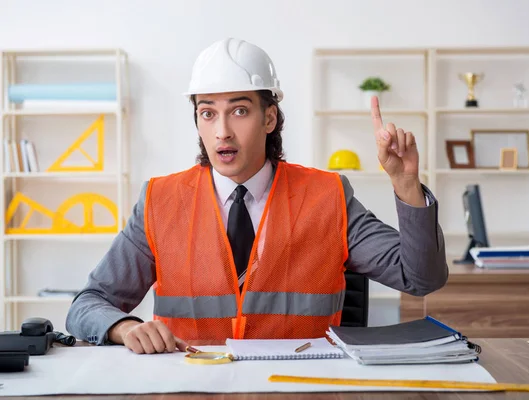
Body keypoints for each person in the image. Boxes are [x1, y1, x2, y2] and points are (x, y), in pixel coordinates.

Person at [66, 38, 448, 355]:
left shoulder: (329, 196)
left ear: (269, 118)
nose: (222, 132)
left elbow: (421, 277)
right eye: (208, 113)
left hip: (301, 389)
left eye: (240, 110)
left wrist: (406, 185)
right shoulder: (158, 201)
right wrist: (123, 325)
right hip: (189, 386)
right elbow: (87, 304)